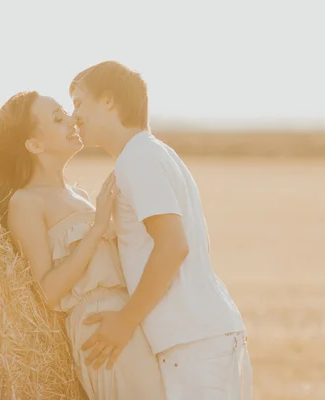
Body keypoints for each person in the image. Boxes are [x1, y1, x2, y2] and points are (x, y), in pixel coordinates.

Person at [70, 61, 253, 399]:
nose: (73, 115)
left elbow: (172, 245)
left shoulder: (137, 159)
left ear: (108, 101)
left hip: (192, 342)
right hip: (197, 336)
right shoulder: (151, 153)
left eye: (79, 102)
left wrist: (125, 321)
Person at [0, 91, 166, 399]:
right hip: (98, 328)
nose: (72, 120)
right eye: (57, 119)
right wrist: (96, 231)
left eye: (66, 112)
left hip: (128, 319)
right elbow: (48, 292)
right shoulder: (26, 202)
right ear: (34, 145)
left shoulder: (78, 197)